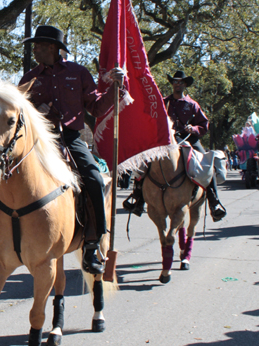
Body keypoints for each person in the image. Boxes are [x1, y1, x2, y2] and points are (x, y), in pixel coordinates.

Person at [18, 25, 127, 275]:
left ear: (54, 48)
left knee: (93, 177)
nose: (35, 50)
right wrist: (36, 110)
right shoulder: (29, 77)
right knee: (3, 172)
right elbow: (17, 110)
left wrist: (115, 89)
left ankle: (92, 243)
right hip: (39, 140)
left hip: (70, 138)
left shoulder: (78, 73)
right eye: (34, 46)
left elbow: (96, 108)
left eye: (40, 46)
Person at [123, 70, 227, 221]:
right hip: (166, 140)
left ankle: (214, 203)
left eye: (181, 82)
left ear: (185, 85)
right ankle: (137, 199)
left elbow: (204, 125)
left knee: (206, 165)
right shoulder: (163, 102)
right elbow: (151, 118)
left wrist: (194, 129)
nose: (177, 84)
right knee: (144, 163)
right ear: (172, 84)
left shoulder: (192, 105)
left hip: (189, 140)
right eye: (175, 81)